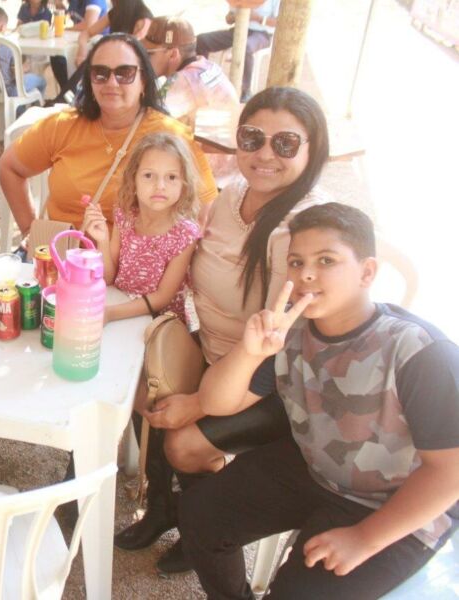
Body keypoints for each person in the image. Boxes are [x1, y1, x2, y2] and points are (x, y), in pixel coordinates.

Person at [184, 202, 459, 599]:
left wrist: (365, 538)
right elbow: (216, 403)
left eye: (326, 260)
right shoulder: (289, 331)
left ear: (367, 272)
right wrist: (249, 353)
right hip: (316, 469)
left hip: (396, 506)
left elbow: (450, 472)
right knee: (201, 514)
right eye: (296, 262)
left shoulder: (419, 352)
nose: (305, 275)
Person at [115, 86, 335, 576]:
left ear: (312, 149)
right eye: (253, 137)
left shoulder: (307, 227)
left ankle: (199, 528)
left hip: (274, 382)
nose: (264, 154)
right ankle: (164, 508)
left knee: (183, 442)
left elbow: (284, 347)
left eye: (284, 143)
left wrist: (197, 403)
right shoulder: (231, 194)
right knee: (138, 386)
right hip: (214, 350)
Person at [0, 33, 217, 247]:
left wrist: (171, 258)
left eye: (125, 73)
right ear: (90, 81)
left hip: (133, 266)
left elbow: (205, 211)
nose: (112, 82)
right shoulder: (63, 125)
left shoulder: (171, 136)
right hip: (62, 258)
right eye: (100, 73)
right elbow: (10, 167)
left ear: (143, 80)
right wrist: (30, 230)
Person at [82, 133, 201, 324]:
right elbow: (109, 277)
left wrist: (110, 314)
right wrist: (102, 241)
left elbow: (162, 297)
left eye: (171, 177)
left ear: (184, 185)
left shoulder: (185, 234)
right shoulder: (125, 215)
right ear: (133, 180)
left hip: (157, 324)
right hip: (117, 307)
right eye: (148, 175)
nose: (160, 186)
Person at [143, 16, 238, 128]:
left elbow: (150, 120)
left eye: (149, 54)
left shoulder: (183, 80)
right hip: (227, 133)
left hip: (214, 137)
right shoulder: (203, 64)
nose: (143, 58)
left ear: (173, 54)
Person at [196, 0, 280, 103]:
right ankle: (201, 80)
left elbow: (278, 21)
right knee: (202, 40)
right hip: (239, 29)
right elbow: (229, 18)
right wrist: (231, 17)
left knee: (246, 47)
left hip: (262, 34)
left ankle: (246, 90)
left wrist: (258, 18)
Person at [0, 6, 45, 101]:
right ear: (2, 27)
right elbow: (16, 74)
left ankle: (20, 107)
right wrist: (23, 68)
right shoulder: (7, 46)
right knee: (41, 81)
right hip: (9, 91)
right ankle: (27, 108)